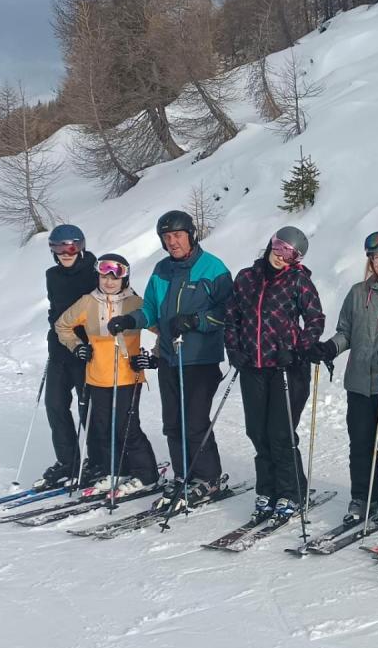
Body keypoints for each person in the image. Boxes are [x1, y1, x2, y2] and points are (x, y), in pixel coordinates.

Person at [108, 210, 233, 511]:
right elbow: (150, 309)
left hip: (200, 359)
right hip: (168, 358)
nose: (173, 242)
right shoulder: (161, 270)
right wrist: (130, 320)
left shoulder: (213, 268)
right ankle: (183, 475)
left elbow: (229, 312)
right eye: (167, 237)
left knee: (195, 422)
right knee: (173, 423)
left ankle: (208, 477)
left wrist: (196, 320)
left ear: (191, 235)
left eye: (178, 235)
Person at [307, 231, 378, 525]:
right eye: (376, 257)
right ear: (370, 260)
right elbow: (345, 331)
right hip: (358, 382)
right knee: (360, 442)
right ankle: (364, 495)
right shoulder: (357, 293)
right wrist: (330, 348)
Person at [224, 226, 325, 523]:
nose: (282, 256)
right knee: (257, 432)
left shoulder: (299, 281)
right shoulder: (246, 277)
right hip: (253, 367)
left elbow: (315, 320)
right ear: (271, 244)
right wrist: (234, 350)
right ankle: (267, 490)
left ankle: (291, 492)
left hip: (286, 368)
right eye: (279, 248)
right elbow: (232, 317)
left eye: (291, 254)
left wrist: (297, 350)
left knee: (280, 433)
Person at [54, 253, 159, 495]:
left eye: (115, 277)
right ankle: (118, 471)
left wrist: (153, 357)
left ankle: (147, 474)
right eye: (104, 276)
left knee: (127, 427)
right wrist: (77, 346)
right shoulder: (87, 302)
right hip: (97, 377)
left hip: (127, 377)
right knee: (103, 428)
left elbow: (162, 329)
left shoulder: (136, 304)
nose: (109, 282)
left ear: (125, 279)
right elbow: (62, 325)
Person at [40, 224, 98, 488]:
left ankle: (97, 461)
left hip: (86, 352)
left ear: (81, 247)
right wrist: (53, 337)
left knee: (88, 408)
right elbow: (55, 310)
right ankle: (68, 462)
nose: (66, 253)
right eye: (59, 248)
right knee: (55, 405)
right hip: (59, 351)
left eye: (72, 247)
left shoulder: (95, 272)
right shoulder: (52, 275)